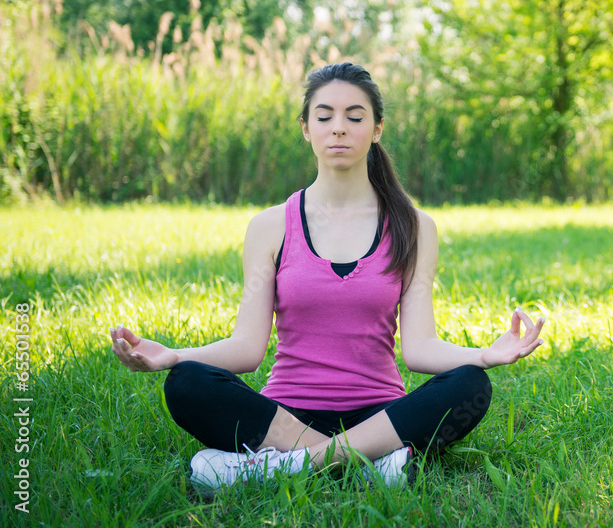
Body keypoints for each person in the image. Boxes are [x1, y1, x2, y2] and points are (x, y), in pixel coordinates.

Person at [109, 62, 546, 494]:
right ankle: (371, 466)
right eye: (324, 116)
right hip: (286, 416)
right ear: (306, 128)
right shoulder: (271, 226)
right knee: (186, 384)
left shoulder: (413, 226)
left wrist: (485, 355)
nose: (339, 128)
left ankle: (278, 467)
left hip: (379, 417)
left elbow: (419, 349)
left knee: (471, 385)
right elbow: (246, 349)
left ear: (376, 129)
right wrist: (174, 357)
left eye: (355, 117)